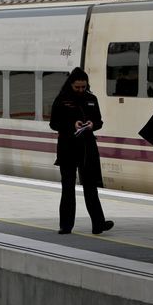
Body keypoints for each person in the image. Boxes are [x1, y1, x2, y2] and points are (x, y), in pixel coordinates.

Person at [49, 68, 114, 235]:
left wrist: (93, 125)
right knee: (68, 187)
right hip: (68, 148)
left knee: (91, 187)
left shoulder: (91, 99)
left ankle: (98, 224)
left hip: (87, 148)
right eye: (77, 87)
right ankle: (66, 225)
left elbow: (99, 121)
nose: (80, 90)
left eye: (83, 87)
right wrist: (72, 124)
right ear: (71, 84)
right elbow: (54, 123)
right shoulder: (62, 100)